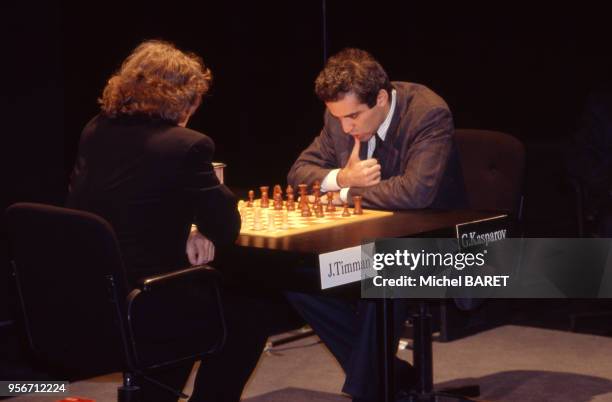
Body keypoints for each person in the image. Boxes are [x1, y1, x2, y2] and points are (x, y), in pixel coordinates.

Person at [67, 40, 268, 402]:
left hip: (89, 296)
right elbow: (225, 226)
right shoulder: (186, 145)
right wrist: (200, 228)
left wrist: (191, 228)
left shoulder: (95, 130)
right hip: (150, 299)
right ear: (183, 99)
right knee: (249, 316)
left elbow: (130, 206)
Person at [286, 48, 467, 401]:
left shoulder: (427, 113)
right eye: (337, 117)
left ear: (381, 99)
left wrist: (342, 194)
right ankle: (393, 379)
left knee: (384, 272)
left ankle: (369, 392)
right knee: (297, 278)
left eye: (353, 116)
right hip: (367, 242)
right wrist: (341, 176)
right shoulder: (339, 117)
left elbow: (416, 193)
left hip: (436, 243)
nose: (345, 127)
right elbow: (297, 175)